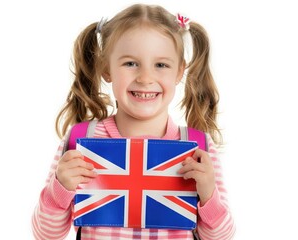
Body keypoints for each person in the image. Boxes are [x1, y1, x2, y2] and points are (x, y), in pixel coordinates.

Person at [32, 3, 235, 239]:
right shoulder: (81, 142)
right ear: (106, 68)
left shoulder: (197, 148)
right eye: (130, 63)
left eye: (161, 65)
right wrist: (61, 188)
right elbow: (46, 234)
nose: (146, 78)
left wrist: (209, 194)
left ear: (180, 72)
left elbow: (221, 236)